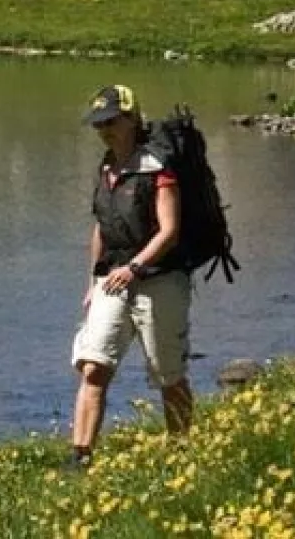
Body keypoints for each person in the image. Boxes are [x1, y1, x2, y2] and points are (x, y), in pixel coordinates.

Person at [69, 84, 193, 469]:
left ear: (132, 119)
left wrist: (135, 266)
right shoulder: (107, 167)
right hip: (112, 280)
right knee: (93, 366)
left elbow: (169, 231)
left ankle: (182, 452)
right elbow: (101, 228)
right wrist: (93, 281)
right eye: (98, 123)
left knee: (167, 374)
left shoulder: (158, 168)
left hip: (159, 279)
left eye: (111, 121)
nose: (103, 130)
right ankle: (81, 457)